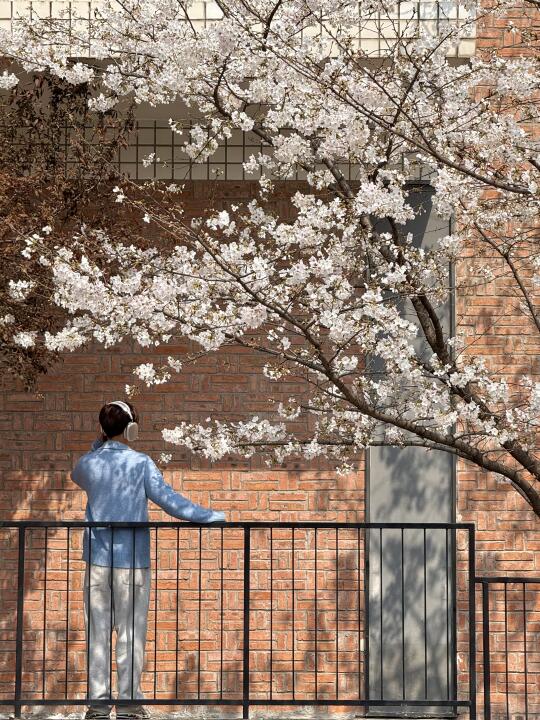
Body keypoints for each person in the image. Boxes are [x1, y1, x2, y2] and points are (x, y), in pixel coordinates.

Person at [71, 400, 226, 720]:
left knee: (97, 634)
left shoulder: (88, 463)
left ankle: (97, 706)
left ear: (102, 428)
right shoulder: (141, 463)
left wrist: (99, 444)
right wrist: (210, 516)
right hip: (132, 563)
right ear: (132, 429)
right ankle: (128, 705)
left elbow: (79, 473)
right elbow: (169, 502)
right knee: (130, 634)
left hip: (98, 560)